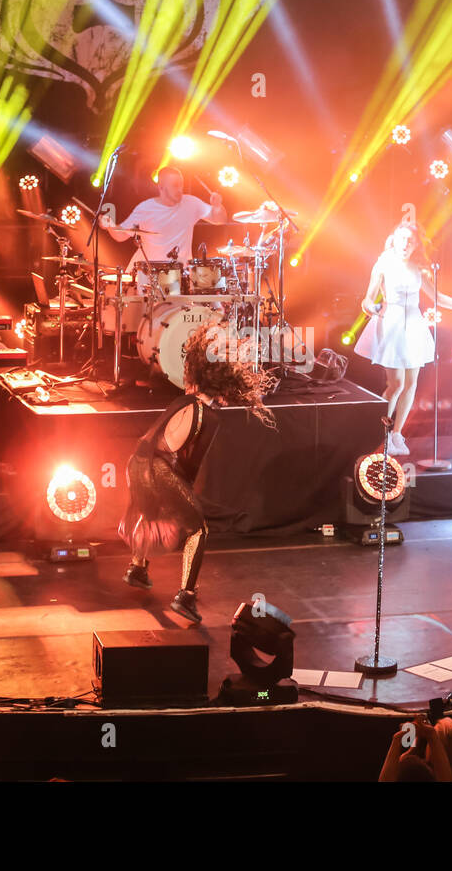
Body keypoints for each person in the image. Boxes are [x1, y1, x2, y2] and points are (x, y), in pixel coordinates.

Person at [119, 323, 273, 624]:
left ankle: (137, 568)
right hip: (157, 468)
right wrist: (183, 500)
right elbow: (187, 466)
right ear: (225, 385)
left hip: (135, 462)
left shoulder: (181, 400)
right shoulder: (208, 415)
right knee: (198, 529)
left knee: (148, 512)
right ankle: (186, 597)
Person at [355, 223, 452, 456]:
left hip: (414, 324)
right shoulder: (383, 264)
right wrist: (373, 308)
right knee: (397, 383)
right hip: (392, 322)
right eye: (402, 238)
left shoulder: (418, 269)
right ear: (394, 238)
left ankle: (397, 433)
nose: (406, 244)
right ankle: (379, 431)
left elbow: (436, 296)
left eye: (411, 240)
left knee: (411, 383)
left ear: (416, 244)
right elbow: (367, 299)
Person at [99, 166, 228, 273]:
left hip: (180, 275)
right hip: (148, 275)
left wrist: (217, 207)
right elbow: (120, 236)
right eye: (175, 186)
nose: (179, 190)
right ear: (161, 188)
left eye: (181, 185)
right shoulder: (146, 208)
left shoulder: (191, 203)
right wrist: (109, 224)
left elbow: (220, 220)